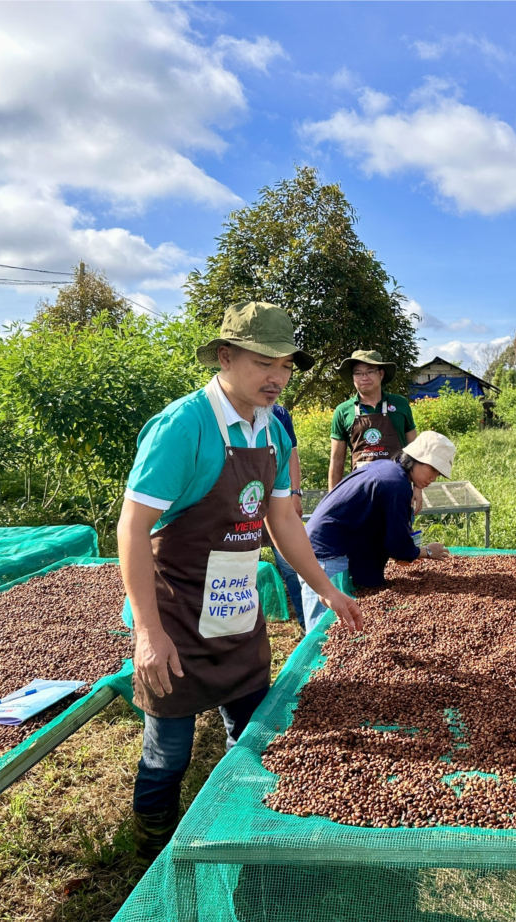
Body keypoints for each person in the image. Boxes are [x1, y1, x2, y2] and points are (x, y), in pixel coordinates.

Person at [117, 301, 364, 861]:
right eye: (262, 362)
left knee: (252, 734)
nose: (277, 377)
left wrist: (327, 590)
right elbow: (132, 529)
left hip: (235, 608)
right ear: (225, 357)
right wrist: (148, 634)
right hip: (175, 615)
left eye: (285, 364)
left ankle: (239, 834)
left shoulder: (271, 428)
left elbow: (282, 521)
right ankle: (152, 850)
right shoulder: (184, 427)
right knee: (169, 750)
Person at [301, 431, 456, 632]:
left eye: (438, 473)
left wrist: (404, 552)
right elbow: (397, 544)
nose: (433, 478)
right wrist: (426, 551)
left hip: (328, 544)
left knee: (338, 624)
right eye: (432, 469)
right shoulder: (396, 485)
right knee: (326, 630)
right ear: (416, 459)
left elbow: (384, 528)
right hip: (326, 552)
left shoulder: (387, 468)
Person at [329, 350, 417, 490]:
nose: (364, 377)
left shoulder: (400, 404)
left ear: (381, 374)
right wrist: (332, 498)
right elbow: (337, 459)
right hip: (361, 488)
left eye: (370, 371)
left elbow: (414, 450)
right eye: (358, 373)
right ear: (353, 377)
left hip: (398, 487)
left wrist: (417, 489)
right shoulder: (343, 410)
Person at [268, 403, 305, 627]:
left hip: (278, 499)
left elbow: (291, 455)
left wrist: (295, 492)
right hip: (241, 502)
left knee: (291, 565)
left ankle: (305, 623)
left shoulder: (279, 414)